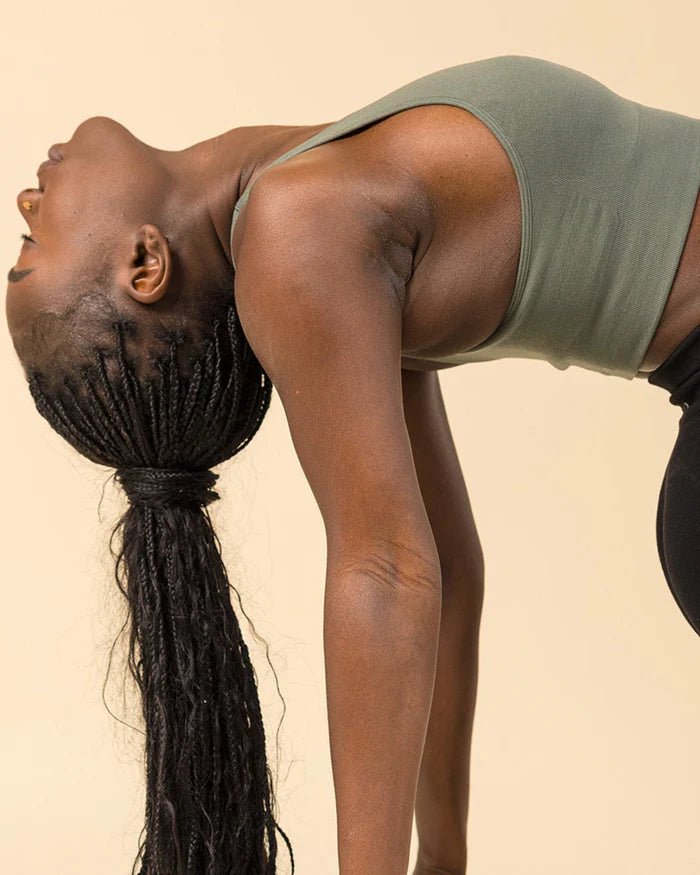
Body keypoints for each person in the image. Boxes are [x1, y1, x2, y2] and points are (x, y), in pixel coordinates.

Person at [5, 53, 700, 875]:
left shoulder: (317, 216)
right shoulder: (295, 230)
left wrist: (443, 859)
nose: (25, 200)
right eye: (30, 249)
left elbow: (446, 571)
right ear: (143, 265)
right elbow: (390, 571)